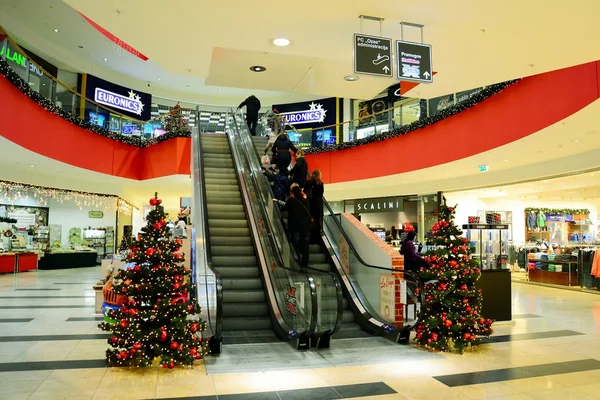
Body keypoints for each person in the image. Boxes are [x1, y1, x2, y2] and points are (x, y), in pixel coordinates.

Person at [274, 185, 312, 267]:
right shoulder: (306, 201)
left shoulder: (291, 200)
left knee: (296, 245)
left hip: (295, 226)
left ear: (292, 192)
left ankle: (296, 263)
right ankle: (305, 263)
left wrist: (277, 201)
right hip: (306, 226)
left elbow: (285, 207)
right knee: (306, 246)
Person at [306, 169, 324, 242]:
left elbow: (306, 193)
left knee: (311, 221)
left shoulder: (309, 182)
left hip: (311, 205)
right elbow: (321, 194)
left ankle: (310, 238)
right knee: (318, 222)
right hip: (319, 205)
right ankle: (317, 238)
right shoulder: (321, 183)